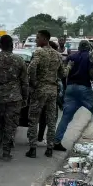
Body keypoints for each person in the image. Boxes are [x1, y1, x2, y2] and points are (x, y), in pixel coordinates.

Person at [26, 30, 65, 158]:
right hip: (52, 90)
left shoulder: (39, 52)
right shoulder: (57, 55)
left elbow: (31, 68)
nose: (36, 40)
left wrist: (33, 82)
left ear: (44, 39)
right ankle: (49, 148)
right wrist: (69, 67)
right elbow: (63, 74)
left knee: (33, 119)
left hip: (40, 89)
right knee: (51, 120)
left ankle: (32, 149)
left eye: (38, 38)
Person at [53, 40, 93, 152]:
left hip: (70, 89)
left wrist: (65, 88)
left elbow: (63, 73)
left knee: (66, 117)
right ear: (88, 48)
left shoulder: (71, 56)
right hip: (84, 88)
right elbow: (91, 74)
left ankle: (56, 141)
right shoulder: (90, 57)